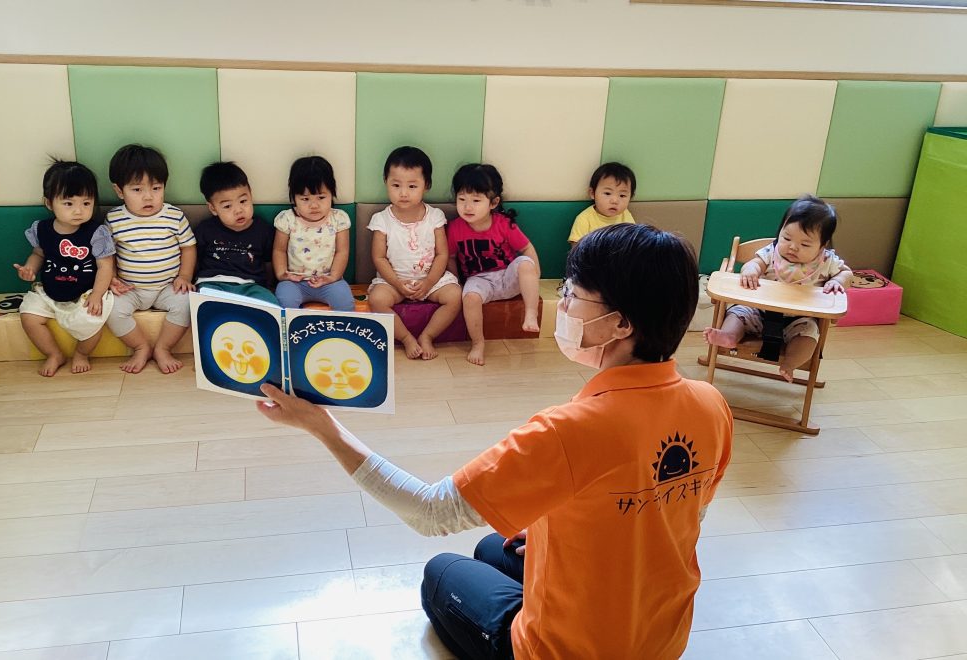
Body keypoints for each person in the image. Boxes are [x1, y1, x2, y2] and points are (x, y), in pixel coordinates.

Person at [256, 223, 734, 659]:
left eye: (573, 294)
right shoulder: (711, 405)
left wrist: (322, 426)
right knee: (494, 548)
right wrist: (553, 527)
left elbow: (432, 512)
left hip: (563, 652)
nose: (563, 304)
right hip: (662, 640)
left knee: (441, 571)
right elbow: (676, 512)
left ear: (621, 324)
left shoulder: (569, 430)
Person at [703, 194, 853, 382]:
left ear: (823, 246)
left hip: (799, 319)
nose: (793, 247)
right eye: (786, 238)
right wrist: (751, 270)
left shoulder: (827, 262)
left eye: (805, 244)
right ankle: (729, 337)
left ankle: (790, 363)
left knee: (809, 336)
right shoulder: (771, 252)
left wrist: (838, 281)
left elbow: (847, 273)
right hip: (758, 311)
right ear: (780, 232)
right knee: (737, 313)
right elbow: (755, 263)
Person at [14, 160, 114, 377]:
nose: (79, 211)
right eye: (69, 203)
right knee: (28, 315)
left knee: (93, 323)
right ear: (49, 203)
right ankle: (54, 354)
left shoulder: (96, 232)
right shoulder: (42, 229)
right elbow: (38, 254)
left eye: (86, 203)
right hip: (49, 292)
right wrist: (30, 269)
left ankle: (81, 354)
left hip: (85, 294)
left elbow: (106, 266)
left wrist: (97, 295)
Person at [105, 144, 196, 374]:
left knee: (187, 303)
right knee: (112, 310)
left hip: (167, 286)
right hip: (130, 289)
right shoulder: (114, 219)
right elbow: (108, 255)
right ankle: (141, 347)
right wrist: (112, 278)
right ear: (119, 191)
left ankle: (163, 348)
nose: (148, 196)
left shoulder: (173, 216)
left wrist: (184, 276)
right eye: (137, 190)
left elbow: (188, 247)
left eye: (156, 188)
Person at [367, 146, 461, 360]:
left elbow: (442, 255)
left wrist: (428, 283)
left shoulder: (434, 216)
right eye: (396, 185)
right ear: (385, 182)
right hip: (394, 282)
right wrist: (397, 283)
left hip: (430, 280)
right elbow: (379, 257)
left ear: (426, 185)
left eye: (412, 186)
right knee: (377, 299)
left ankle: (427, 336)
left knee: (455, 296)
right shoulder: (381, 219)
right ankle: (407, 338)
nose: (403, 193)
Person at [446, 163, 541, 366]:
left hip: (507, 276)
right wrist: (457, 282)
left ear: (493, 202)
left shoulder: (503, 224)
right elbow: (451, 258)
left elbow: (527, 248)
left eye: (476, 200)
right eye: (462, 199)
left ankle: (531, 314)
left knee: (526, 264)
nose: (467, 207)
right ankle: (478, 343)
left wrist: (534, 273)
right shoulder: (454, 228)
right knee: (470, 298)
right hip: (479, 281)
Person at [272, 156, 355, 311]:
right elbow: (279, 250)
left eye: (321, 197)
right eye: (305, 199)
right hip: (295, 282)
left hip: (329, 281)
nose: (314, 205)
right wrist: (282, 274)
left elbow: (342, 251)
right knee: (284, 302)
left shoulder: (339, 219)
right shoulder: (287, 219)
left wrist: (333, 277)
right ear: (294, 198)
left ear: (332, 194)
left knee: (345, 303)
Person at [194, 161, 277, 305]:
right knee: (204, 304)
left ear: (251, 195)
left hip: (252, 285)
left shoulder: (263, 230)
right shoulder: (205, 229)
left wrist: (269, 285)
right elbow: (194, 259)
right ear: (213, 208)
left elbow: (269, 264)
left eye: (243, 201)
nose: (238, 210)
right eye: (227, 206)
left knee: (270, 303)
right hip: (213, 283)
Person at [567, 162, 637, 246]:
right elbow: (576, 248)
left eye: (622, 195)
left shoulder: (626, 215)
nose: (615, 201)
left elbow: (633, 242)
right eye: (607, 193)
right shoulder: (584, 219)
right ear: (592, 193)